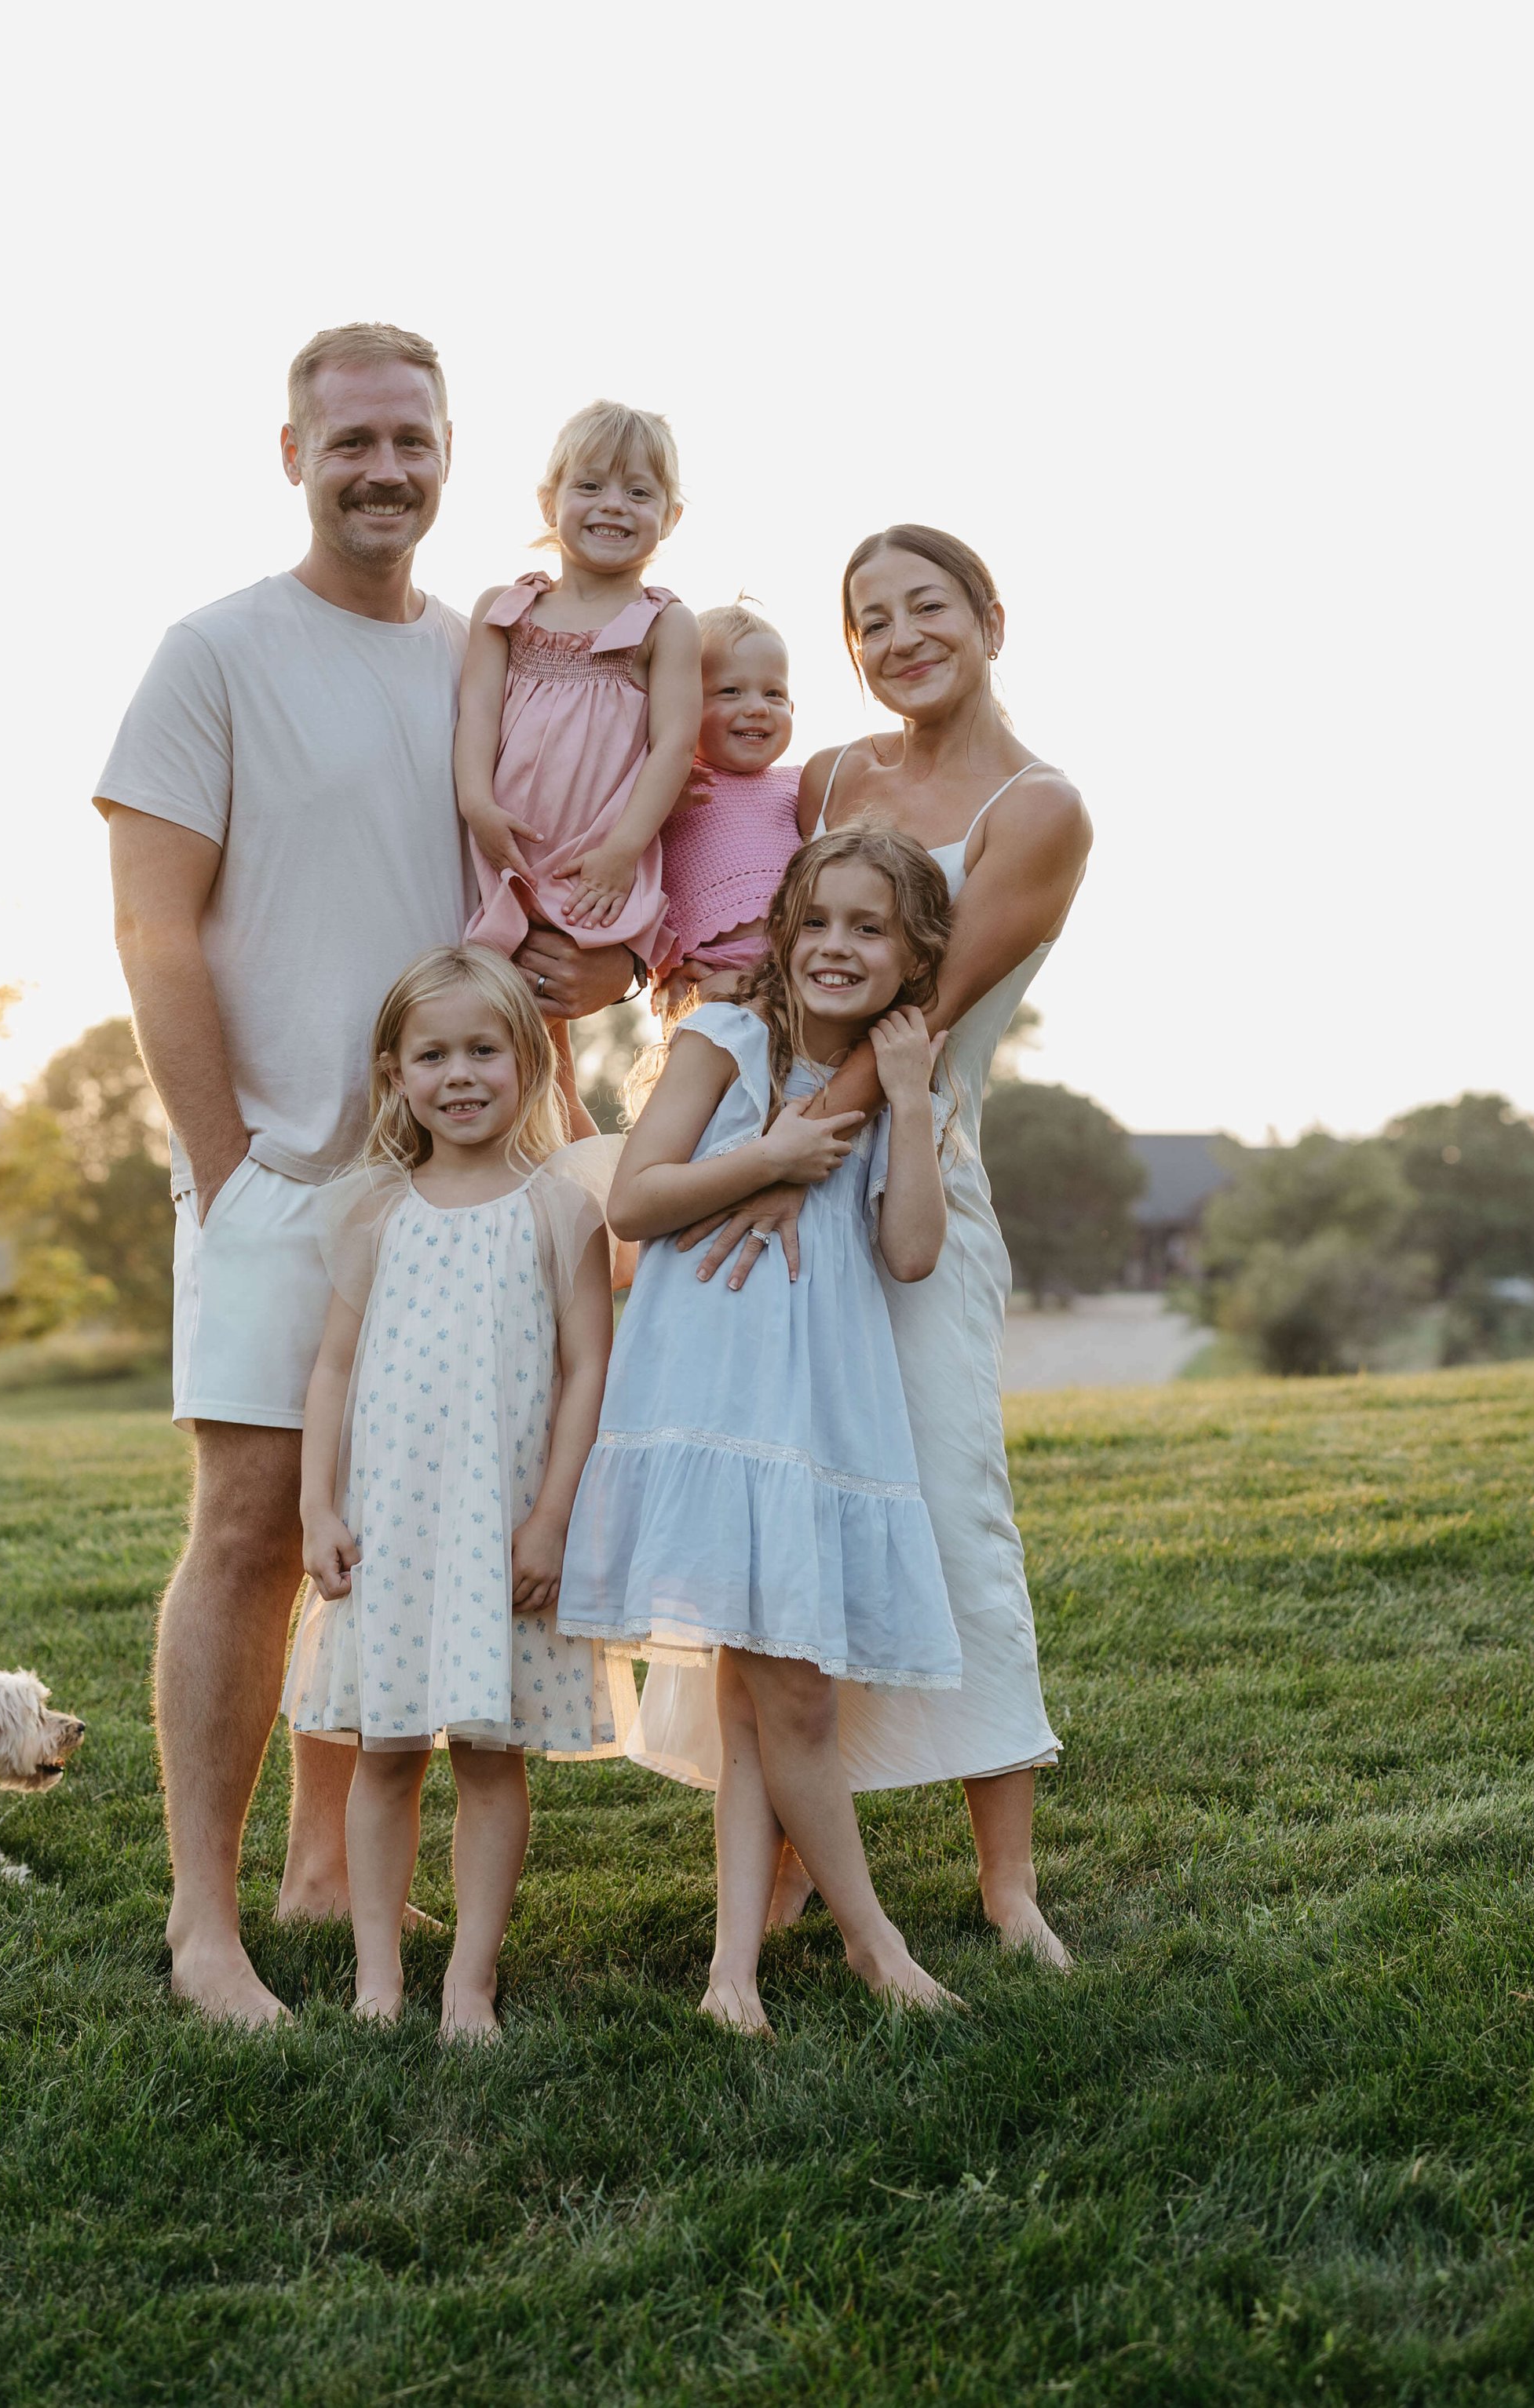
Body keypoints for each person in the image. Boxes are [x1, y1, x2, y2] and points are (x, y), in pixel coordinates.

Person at [94, 323, 640, 2027]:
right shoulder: (216, 655)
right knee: (257, 1523)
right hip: (277, 1176)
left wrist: (599, 975)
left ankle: (329, 1866)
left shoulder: (492, 654)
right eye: (350, 444)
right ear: (291, 456)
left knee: (415, 1511)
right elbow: (151, 927)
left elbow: (569, 896)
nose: (382, 470)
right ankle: (206, 1923)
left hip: (479, 1189)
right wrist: (227, 1165)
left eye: (410, 440)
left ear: (451, 452)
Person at [657, 525, 1092, 1969]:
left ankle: (1005, 1875)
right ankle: (785, 1859)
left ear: (989, 616)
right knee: (788, 1507)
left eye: (927, 609)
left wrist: (798, 1165)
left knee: (953, 1499)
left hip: (908, 1170)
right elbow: (756, 916)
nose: (900, 638)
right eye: (871, 621)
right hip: (772, 1162)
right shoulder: (832, 776)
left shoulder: (1041, 809)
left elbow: (926, 1008)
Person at [560, 830, 962, 2033]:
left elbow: (909, 1249)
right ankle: (871, 1941)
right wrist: (773, 1152)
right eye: (821, 921)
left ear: (914, 955)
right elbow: (634, 1199)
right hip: (713, 1393)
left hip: (814, 1404)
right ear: (784, 933)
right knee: (789, 1696)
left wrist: (907, 1104)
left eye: (871, 928)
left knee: (763, 1696)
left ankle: (733, 1968)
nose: (840, 946)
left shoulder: (894, 1075)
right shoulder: (724, 1038)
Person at [282, 947, 632, 2041]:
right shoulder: (376, 1213)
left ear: (528, 1062)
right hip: (391, 1528)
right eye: (433, 1053)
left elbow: (589, 1370)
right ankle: (378, 1976)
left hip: (502, 1530)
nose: (461, 1074)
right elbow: (332, 1369)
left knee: (489, 1757)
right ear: (395, 1071)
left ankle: (467, 1982)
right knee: (383, 1752)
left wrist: (552, 1518)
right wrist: (317, 1507)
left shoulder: (559, 1211)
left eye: (485, 1049)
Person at [455, 400, 703, 1067]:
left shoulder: (666, 625)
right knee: (488, 1018)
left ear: (671, 517)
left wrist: (623, 849)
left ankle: (562, 1151)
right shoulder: (505, 611)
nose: (613, 505)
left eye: (639, 491)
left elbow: (675, 746)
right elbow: (477, 715)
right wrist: (477, 804)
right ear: (549, 502)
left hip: (594, 850)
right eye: (589, 486)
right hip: (504, 839)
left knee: (547, 1021)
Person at [651, 603, 804, 1010]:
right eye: (730, 691)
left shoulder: (804, 785)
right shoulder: (665, 787)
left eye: (774, 693)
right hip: (711, 972)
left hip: (803, 967)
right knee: (717, 1061)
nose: (757, 707)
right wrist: (663, 970)